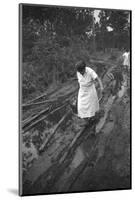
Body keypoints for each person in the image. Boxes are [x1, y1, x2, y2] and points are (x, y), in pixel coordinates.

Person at [76, 60, 103, 126]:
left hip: (90, 91)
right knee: (81, 107)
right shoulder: (78, 72)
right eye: (80, 72)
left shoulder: (90, 71)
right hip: (82, 92)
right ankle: (86, 121)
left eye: (82, 71)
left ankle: (92, 118)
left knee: (91, 107)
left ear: (84, 68)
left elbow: (98, 79)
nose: (81, 73)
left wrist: (101, 87)